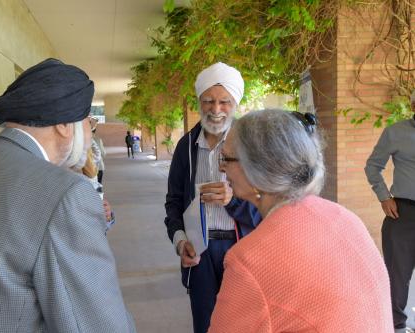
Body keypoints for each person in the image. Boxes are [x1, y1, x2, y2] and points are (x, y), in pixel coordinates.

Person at [0, 58, 136, 332]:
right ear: (64, 125)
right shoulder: (66, 194)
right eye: (88, 122)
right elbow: (98, 325)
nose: (90, 134)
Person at [208, 109, 392, 332]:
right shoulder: (345, 217)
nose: (221, 167)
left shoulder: (249, 260)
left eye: (226, 158)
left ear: (257, 168)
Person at [164, 62, 260, 333]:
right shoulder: (186, 146)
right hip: (201, 252)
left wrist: (233, 201)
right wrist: (181, 242)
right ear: (199, 101)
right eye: (208, 101)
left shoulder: (251, 145)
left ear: (236, 103)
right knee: (205, 325)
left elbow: (266, 207)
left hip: (240, 249)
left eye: (224, 102)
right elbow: (173, 202)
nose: (215, 109)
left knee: (243, 324)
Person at [365, 93, 415, 333]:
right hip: (403, 214)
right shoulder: (395, 132)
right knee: (397, 276)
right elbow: (373, 166)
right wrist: (384, 196)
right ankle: (396, 327)